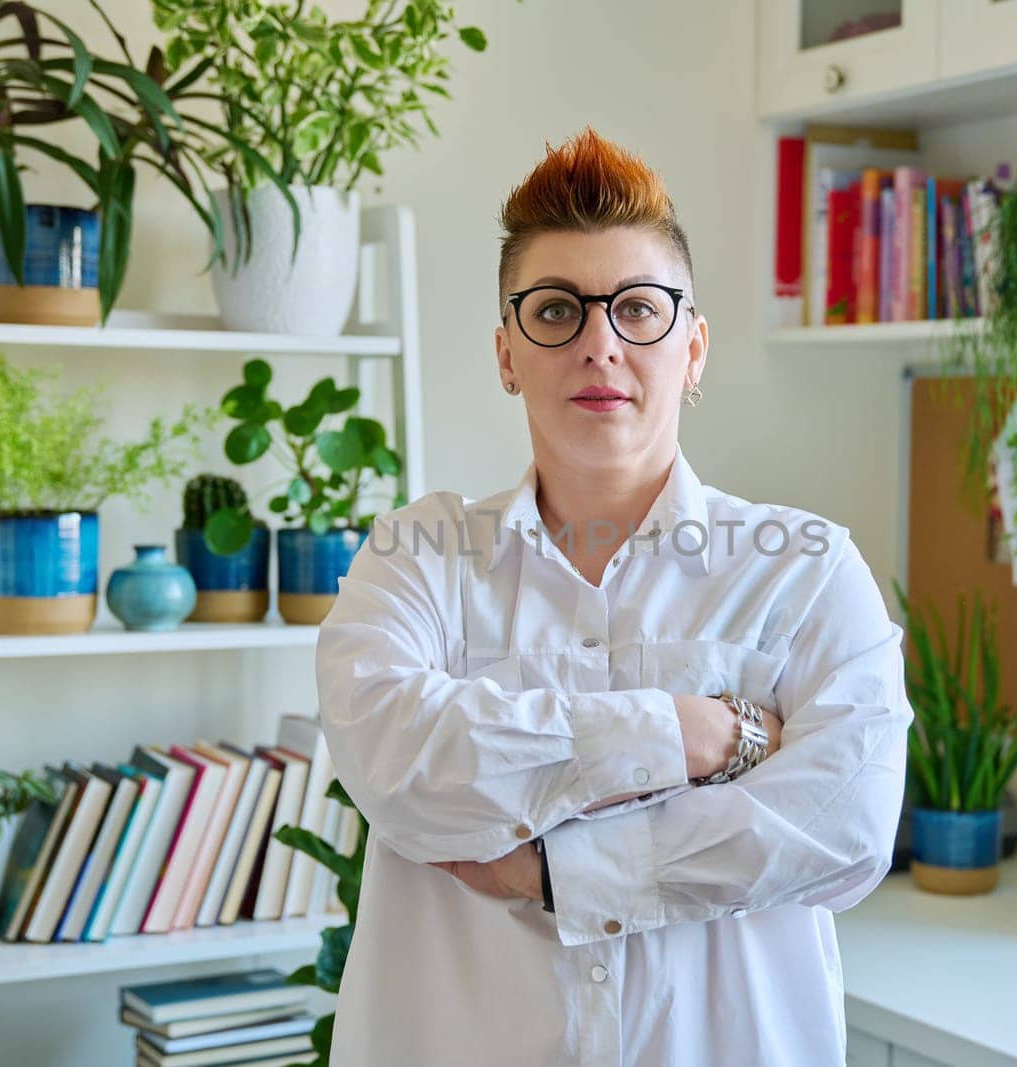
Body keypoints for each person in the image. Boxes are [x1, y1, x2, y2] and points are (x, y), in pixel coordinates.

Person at [316, 128, 912, 1066]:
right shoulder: (415, 557)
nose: (600, 344)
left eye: (638, 309)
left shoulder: (805, 568)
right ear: (508, 352)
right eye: (557, 311)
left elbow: (844, 827)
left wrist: (553, 868)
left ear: (695, 347)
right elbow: (399, 763)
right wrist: (687, 735)